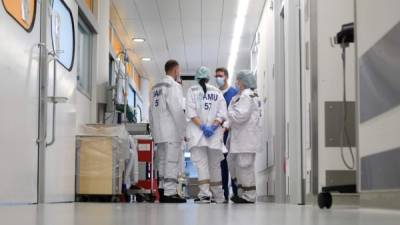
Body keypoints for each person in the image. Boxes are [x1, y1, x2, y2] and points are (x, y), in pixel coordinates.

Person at [186, 66, 227, 203]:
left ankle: (204, 195)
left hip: (198, 135)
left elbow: (191, 113)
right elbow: (222, 114)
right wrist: (213, 127)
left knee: (202, 165)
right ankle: (218, 196)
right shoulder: (217, 91)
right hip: (214, 135)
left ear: (197, 78)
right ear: (209, 78)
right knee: (215, 165)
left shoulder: (191, 90)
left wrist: (203, 127)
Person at [149, 59, 186, 203]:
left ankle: (163, 190)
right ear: (175, 71)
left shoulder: (155, 88)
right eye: (179, 71)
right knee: (171, 161)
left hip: (159, 132)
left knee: (162, 161)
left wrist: (153, 130)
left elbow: (150, 110)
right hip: (171, 131)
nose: (179, 73)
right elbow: (177, 110)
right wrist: (184, 131)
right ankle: (170, 193)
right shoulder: (173, 85)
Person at [227, 70, 262, 204]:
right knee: (234, 164)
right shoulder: (239, 97)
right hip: (239, 138)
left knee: (245, 165)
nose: (236, 82)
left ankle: (249, 195)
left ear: (242, 82)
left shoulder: (248, 96)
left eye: (237, 80)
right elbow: (234, 116)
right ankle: (242, 192)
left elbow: (239, 116)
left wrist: (229, 112)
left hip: (246, 139)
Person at [214, 67, 239, 201]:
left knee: (234, 164)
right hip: (218, 134)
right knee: (222, 164)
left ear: (226, 77)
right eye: (216, 75)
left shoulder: (234, 93)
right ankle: (223, 194)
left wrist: (228, 126)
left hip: (232, 134)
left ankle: (236, 192)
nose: (218, 78)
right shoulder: (215, 94)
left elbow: (236, 113)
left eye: (220, 75)